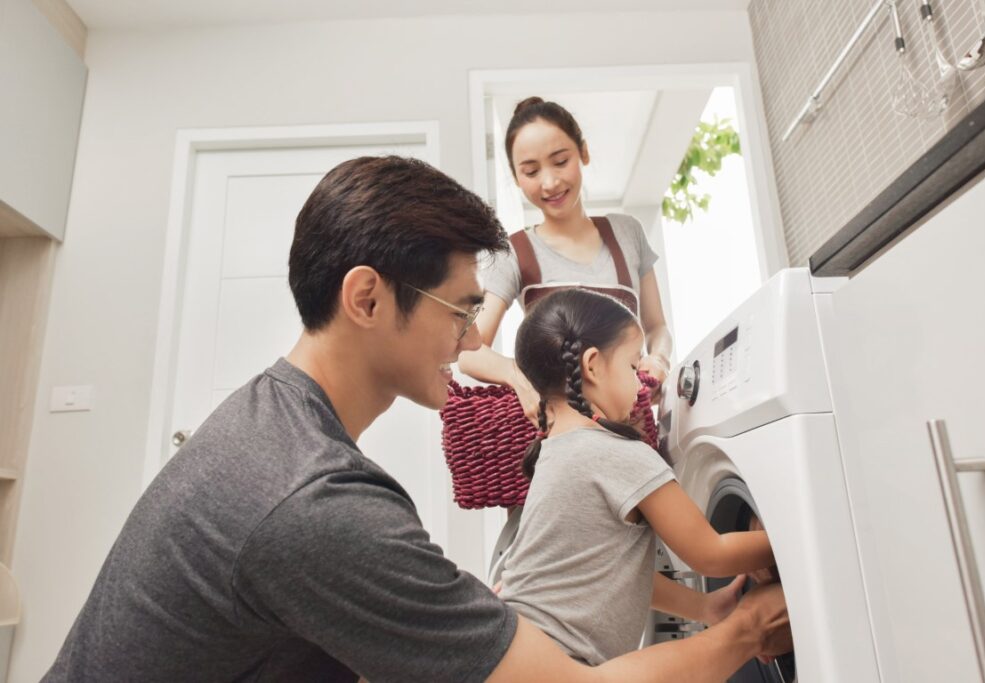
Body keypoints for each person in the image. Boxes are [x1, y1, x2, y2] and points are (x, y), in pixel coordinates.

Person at [44, 156, 788, 682]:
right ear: (367, 299)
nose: (470, 342)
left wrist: (453, 616)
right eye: (462, 310)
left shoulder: (268, 422)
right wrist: (749, 629)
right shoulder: (315, 501)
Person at [496, 288, 777, 666]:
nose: (640, 380)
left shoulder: (556, 451)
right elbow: (710, 553)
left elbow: (610, 577)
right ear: (592, 365)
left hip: (518, 654)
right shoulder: (616, 453)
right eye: (632, 365)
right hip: (558, 664)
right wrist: (790, 541)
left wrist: (705, 606)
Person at [458, 97, 673, 424]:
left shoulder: (628, 234)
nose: (549, 182)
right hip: (561, 433)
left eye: (560, 161)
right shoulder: (515, 252)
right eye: (530, 171)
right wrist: (518, 376)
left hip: (633, 426)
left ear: (583, 153)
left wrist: (658, 359)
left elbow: (657, 327)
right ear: (517, 178)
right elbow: (469, 350)